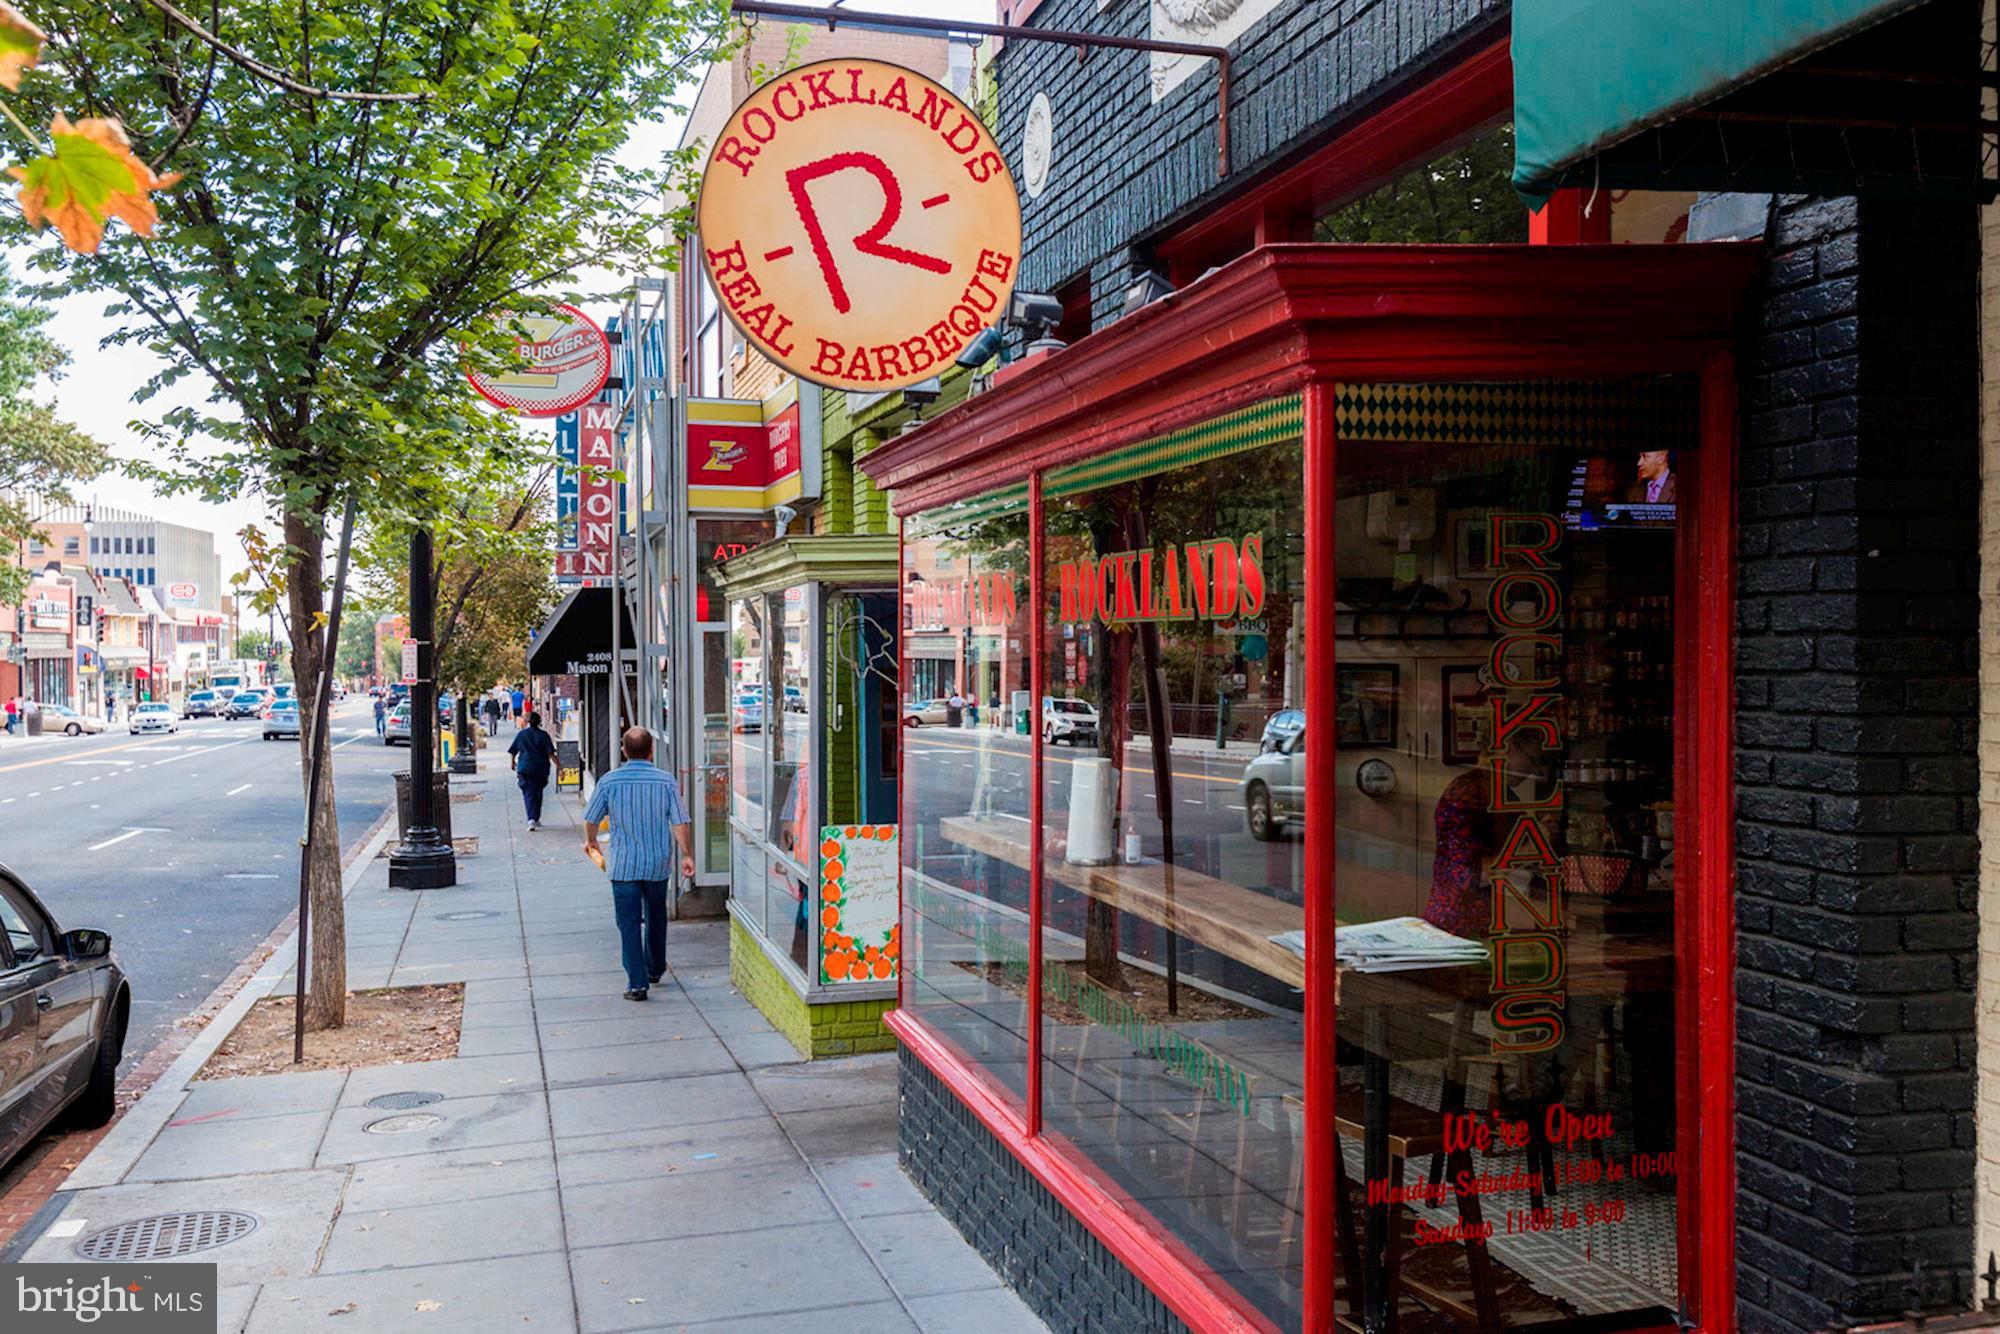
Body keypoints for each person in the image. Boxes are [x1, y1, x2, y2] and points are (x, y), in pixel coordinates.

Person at [583, 727, 695, 1001]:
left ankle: (636, 983)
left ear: (624, 750)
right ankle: (654, 969)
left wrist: (592, 841)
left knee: (629, 924)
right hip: (657, 864)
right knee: (656, 917)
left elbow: (591, 818)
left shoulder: (609, 782)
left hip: (623, 867)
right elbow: (680, 822)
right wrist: (687, 854)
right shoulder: (665, 782)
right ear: (651, 751)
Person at [508, 709, 557, 830]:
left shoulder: (522, 734)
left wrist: (512, 762)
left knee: (529, 793)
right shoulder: (544, 735)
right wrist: (560, 767)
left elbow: (513, 750)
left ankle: (531, 819)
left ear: (527, 721)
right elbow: (551, 753)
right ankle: (535, 817)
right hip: (541, 768)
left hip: (525, 767)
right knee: (538, 793)